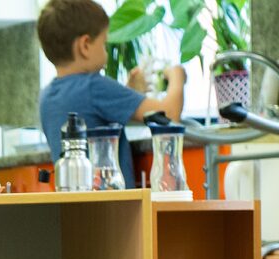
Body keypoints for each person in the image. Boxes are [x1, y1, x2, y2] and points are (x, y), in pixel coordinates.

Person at [36, 0, 185, 190]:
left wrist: (130, 93)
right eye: (104, 43)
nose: (106, 51)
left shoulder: (47, 97)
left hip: (75, 207)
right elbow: (169, 114)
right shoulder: (94, 86)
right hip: (114, 206)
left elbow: (94, 113)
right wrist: (177, 76)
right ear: (85, 45)